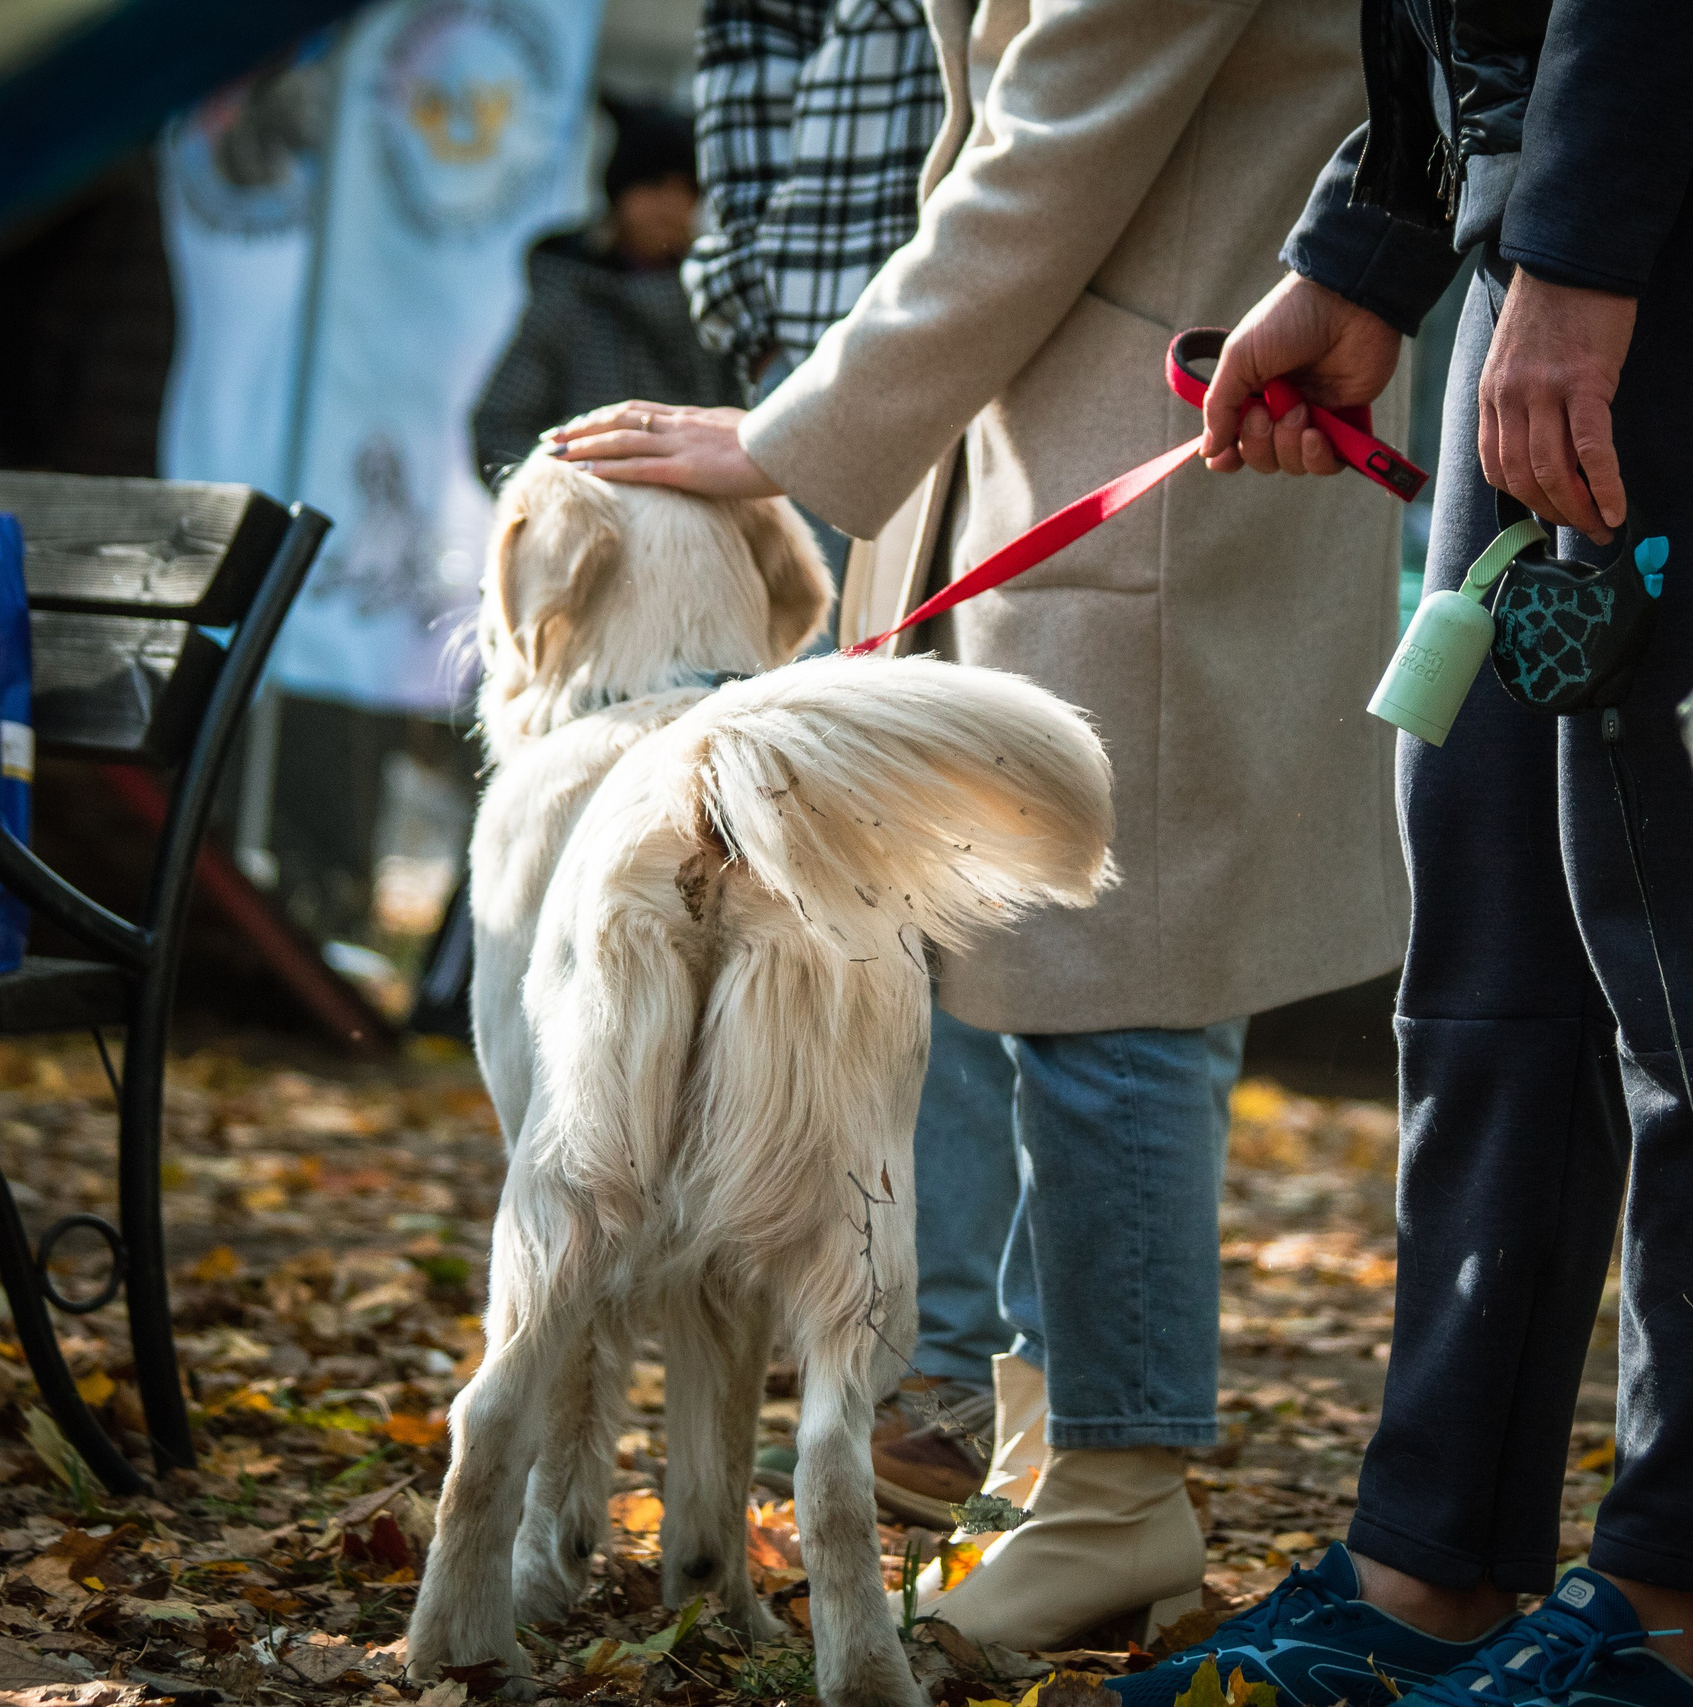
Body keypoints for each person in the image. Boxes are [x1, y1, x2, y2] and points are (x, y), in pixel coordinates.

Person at [1117, 4, 1693, 1706]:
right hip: (1556, 198)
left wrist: (1581, 246)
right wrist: (1377, 240)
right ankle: (1433, 1564)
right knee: (1493, 914)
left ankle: (1661, 1614)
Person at [552, 0, 1411, 1650]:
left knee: (1119, 1004)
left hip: (1143, 440)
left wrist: (778, 437)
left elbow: (1046, 161)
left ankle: (1115, 1494)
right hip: (1057, 437)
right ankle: (1055, 1471)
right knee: (1044, 996)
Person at [679, 0, 1006, 1512]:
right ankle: (837, 1338)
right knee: (793, 923)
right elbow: (744, 52)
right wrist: (748, 298)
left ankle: (942, 1360)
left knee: (948, 913)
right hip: (797, 385)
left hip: (960, 379)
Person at [467, 102, 737, 486]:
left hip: (699, 525)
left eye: (687, 189)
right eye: (655, 184)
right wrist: (560, 500)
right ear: (620, 192)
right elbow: (500, 427)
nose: (671, 205)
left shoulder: (718, 300)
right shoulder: (566, 300)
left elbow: (749, 427)